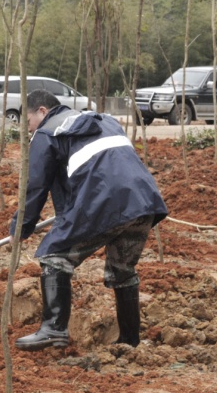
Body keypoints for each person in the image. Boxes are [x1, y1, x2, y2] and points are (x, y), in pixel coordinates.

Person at [12, 89, 168, 350]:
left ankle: (53, 329)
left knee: (54, 255)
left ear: (42, 111)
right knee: (122, 271)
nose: (29, 131)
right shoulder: (103, 119)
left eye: (28, 123)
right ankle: (129, 341)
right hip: (143, 201)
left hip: (104, 201)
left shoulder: (47, 130)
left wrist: (21, 227)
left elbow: (35, 186)